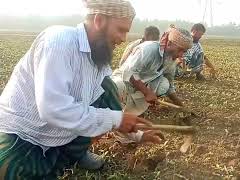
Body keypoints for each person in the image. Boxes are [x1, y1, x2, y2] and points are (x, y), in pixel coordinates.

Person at [0, 0, 160, 179]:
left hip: (61, 133)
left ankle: (77, 154)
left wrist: (138, 135)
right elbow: (52, 108)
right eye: (121, 30)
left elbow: (111, 110)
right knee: (9, 170)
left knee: (106, 88)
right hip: (23, 134)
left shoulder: (97, 57)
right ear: (99, 20)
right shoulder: (58, 42)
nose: (123, 39)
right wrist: (115, 119)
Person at [111, 27, 193, 115]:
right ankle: (113, 111)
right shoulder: (149, 49)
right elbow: (129, 72)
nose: (181, 55)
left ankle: (133, 109)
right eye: (180, 50)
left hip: (140, 86)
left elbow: (170, 86)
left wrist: (182, 107)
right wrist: (147, 92)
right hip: (123, 80)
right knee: (117, 86)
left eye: (184, 52)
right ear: (169, 43)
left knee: (164, 84)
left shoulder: (170, 59)